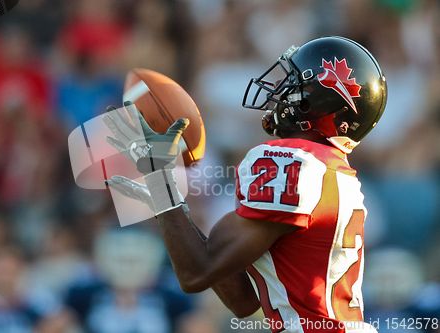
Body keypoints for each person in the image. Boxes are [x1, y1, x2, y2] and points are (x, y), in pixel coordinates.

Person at [105, 36, 387, 333]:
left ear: (317, 103)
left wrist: (161, 183)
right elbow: (242, 299)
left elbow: (195, 273)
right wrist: (166, 198)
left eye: (292, 84)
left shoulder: (292, 162)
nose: (279, 91)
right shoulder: (331, 169)